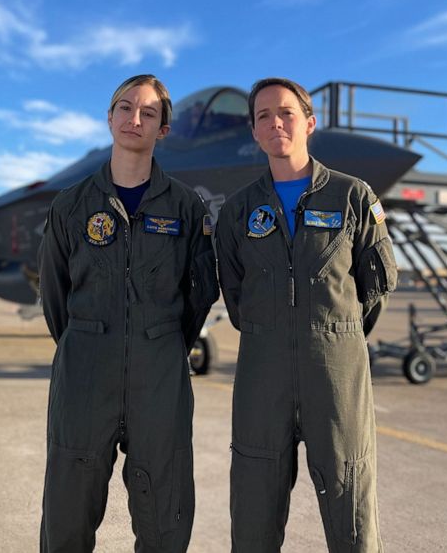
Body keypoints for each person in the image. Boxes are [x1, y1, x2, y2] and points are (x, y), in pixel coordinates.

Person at [38, 74, 219, 552]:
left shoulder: (185, 207)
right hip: (84, 377)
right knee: (66, 520)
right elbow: (55, 295)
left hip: (160, 379)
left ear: (163, 130)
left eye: (148, 113)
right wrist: (89, 338)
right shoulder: (71, 206)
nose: (133, 119)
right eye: (124, 107)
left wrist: (157, 342)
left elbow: (198, 293)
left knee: (165, 519)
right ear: (110, 117)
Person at [215, 78, 397, 552]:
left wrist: (334, 334)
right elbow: (235, 294)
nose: (275, 122)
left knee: (351, 511)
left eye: (286, 113)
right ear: (254, 132)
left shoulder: (353, 197)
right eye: (263, 116)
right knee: (253, 515)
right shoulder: (239, 211)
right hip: (261, 377)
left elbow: (375, 288)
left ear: (309, 123)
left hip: (336, 376)